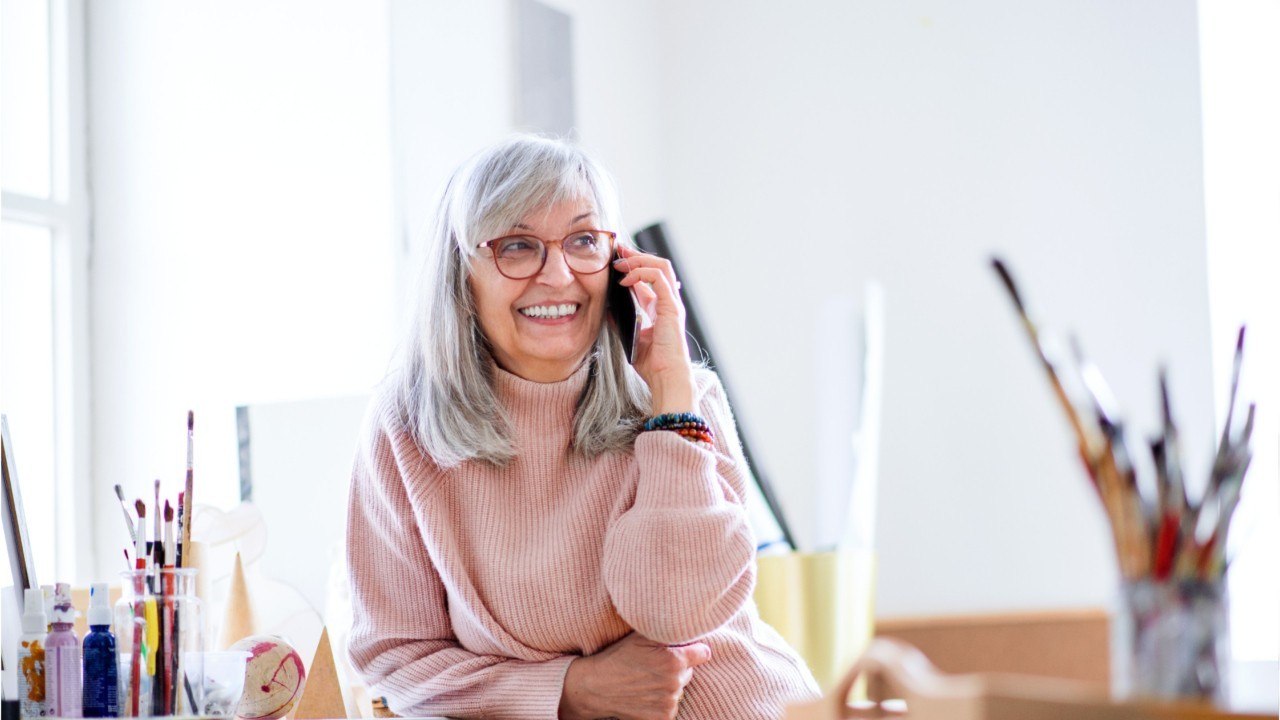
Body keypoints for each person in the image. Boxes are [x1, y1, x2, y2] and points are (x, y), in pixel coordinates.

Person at [346, 135, 819, 720]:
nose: (558, 274)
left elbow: (681, 613)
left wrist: (671, 397)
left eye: (584, 240)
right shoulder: (405, 425)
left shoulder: (683, 397)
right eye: (517, 247)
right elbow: (397, 657)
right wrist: (570, 690)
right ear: (461, 274)